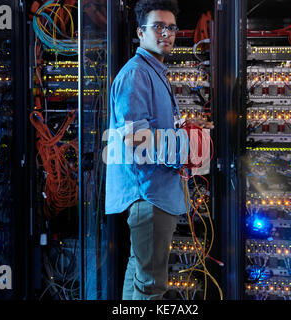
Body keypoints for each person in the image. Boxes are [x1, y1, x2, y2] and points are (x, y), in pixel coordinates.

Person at [105, 0, 213, 300]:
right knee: (151, 283)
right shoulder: (136, 74)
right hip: (148, 195)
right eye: (158, 27)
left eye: (171, 27)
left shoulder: (153, 72)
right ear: (141, 32)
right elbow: (136, 140)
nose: (166, 33)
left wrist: (183, 129)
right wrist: (188, 144)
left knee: (140, 271)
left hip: (155, 193)